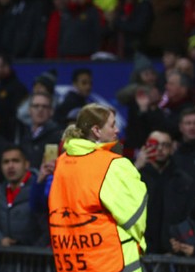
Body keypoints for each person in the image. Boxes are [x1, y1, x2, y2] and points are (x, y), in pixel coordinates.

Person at [48, 103, 147, 272]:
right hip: (114, 261)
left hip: (73, 261)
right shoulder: (113, 164)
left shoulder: (62, 161)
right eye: (112, 124)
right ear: (96, 130)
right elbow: (135, 216)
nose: (117, 130)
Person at [135, 130, 195, 254]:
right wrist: (136, 166)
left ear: (172, 148)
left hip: (173, 251)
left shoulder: (184, 181)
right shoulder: (136, 175)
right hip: (139, 247)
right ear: (145, 147)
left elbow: (191, 216)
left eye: (165, 145)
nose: (160, 149)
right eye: (154, 145)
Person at [0, 147, 47, 249]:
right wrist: (0, 240)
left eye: (15, 161)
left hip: (35, 258)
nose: (10, 166)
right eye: (6, 162)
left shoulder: (39, 188)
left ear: (26, 164)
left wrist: (33, 251)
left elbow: (47, 229)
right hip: (6, 257)